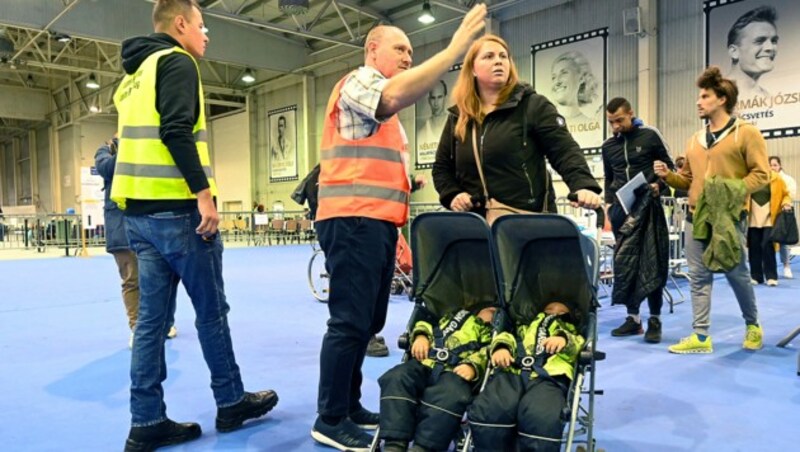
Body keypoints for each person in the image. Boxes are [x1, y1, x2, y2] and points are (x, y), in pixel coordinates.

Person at [311, 4, 488, 451]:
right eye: (400, 48)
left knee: (368, 319)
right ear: (373, 50)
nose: (408, 56)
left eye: (412, 50)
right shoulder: (360, 82)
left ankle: (348, 405)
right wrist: (453, 50)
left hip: (376, 221)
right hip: (352, 219)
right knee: (349, 322)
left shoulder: (381, 93)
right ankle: (330, 417)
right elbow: (391, 98)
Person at [111, 1, 278, 450]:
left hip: (139, 218)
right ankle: (230, 401)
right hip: (180, 213)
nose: (206, 35)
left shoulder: (133, 77)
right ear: (181, 24)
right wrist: (203, 195)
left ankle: (146, 421)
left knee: (150, 323)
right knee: (211, 312)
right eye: (202, 26)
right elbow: (176, 130)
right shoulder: (176, 61)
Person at [654, 66, 769, 354]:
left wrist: (729, 192)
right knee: (698, 276)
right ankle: (701, 336)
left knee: (736, 273)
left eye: (705, 96)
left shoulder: (746, 133)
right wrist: (668, 175)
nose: (698, 101)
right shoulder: (695, 139)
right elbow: (688, 181)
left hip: (729, 218)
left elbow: (762, 175)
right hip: (695, 217)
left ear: (722, 99)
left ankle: (752, 325)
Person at [432, 34, 602, 220]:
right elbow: (441, 167)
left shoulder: (533, 105)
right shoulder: (458, 117)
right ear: (472, 69)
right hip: (475, 225)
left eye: (503, 56)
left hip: (526, 222)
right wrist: (453, 194)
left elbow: (564, 151)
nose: (498, 61)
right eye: (489, 56)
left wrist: (583, 185)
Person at [602, 97, 674, 344]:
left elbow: (670, 169)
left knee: (652, 262)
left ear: (631, 114)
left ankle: (655, 319)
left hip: (649, 209)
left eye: (619, 120)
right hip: (622, 213)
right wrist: (609, 211)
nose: (615, 127)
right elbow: (609, 181)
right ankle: (633, 319)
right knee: (625, 265)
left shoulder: (650, 135)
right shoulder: (608, 146)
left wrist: (658, 186)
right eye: (611, 122)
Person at [94, 135, 178, 348]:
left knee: (163, 278)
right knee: (132, 280)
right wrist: (126, 146)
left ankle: (165, 322)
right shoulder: (103, 152)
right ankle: (137, 328)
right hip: (120, 229)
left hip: (148, 223)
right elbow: (108, 168)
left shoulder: (143, 149)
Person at [468, 301, 584, 452]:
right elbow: (507, 337)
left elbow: (578, 346)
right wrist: (501, 347)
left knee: (541, 415)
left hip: (550, 376)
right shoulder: (524, 328)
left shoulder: (571, 331)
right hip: (513, 369)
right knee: (491, 408)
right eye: (549, 309)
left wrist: (564, 339)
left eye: (561, 312)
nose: (554, 313)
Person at [378, 305, 496, 452]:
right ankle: (394, 443)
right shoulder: (452, 316)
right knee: (397, 377)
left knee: (451, 394)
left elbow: (488, 353)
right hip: (425, 361)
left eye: (495, 311)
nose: (492, 310)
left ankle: (424, 446)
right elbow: (426, 324)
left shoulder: (490, 333)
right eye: (489, 308)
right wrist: (421, 336)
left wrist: (473, 365)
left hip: (456, 371)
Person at [747, 167, 791, 286]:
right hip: (752, 217)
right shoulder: (749, 177)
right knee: (754, 247)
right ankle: (756, 276)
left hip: (769, 217)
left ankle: (771, 276)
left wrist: (786, 203)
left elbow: (786, 194)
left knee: (767, 246)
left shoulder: (776, 178)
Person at [726, 6, 778, 100]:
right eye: (759, 41)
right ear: (734, 52)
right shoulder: (713, 95)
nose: (770, 48)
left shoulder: (769, 99)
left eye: (774, 41)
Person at [769, 156, 796, 278]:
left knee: (783, 241)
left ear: (780, 165)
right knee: (767, 241)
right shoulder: (766, 179)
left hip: (783, 214)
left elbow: (790, 194)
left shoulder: (787, 179)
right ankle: (769, 268)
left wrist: (785, 204)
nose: (772, 167)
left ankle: (786, 266)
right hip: (768, 214)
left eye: (775, 165)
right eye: (770, 165)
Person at [417, 80, 449, 150]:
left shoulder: (455, 126)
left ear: (445, 98)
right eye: (433, 98)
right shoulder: (422, 133)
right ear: (429, 100)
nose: (436, 103)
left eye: (439, 97)